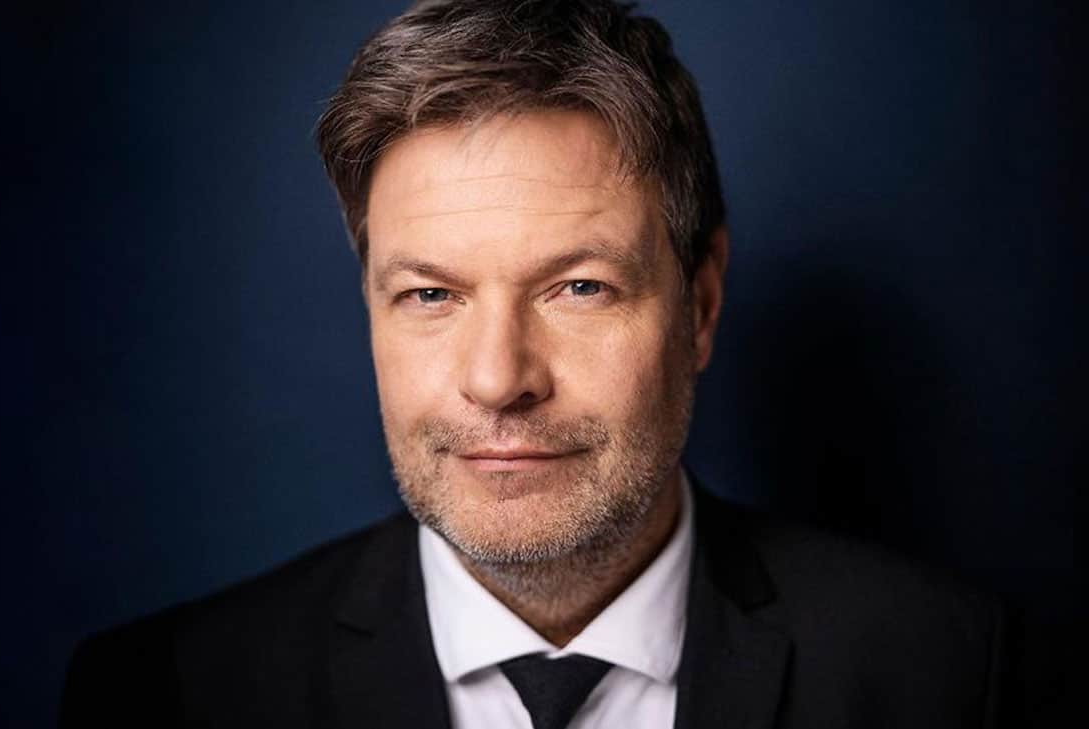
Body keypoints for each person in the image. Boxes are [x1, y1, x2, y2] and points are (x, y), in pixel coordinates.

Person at [59, 1, 1005, 727]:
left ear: (701, 305)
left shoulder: (947, 673)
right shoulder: (163, 697)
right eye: (431, 294)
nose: (498, 377)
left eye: (579, 287)